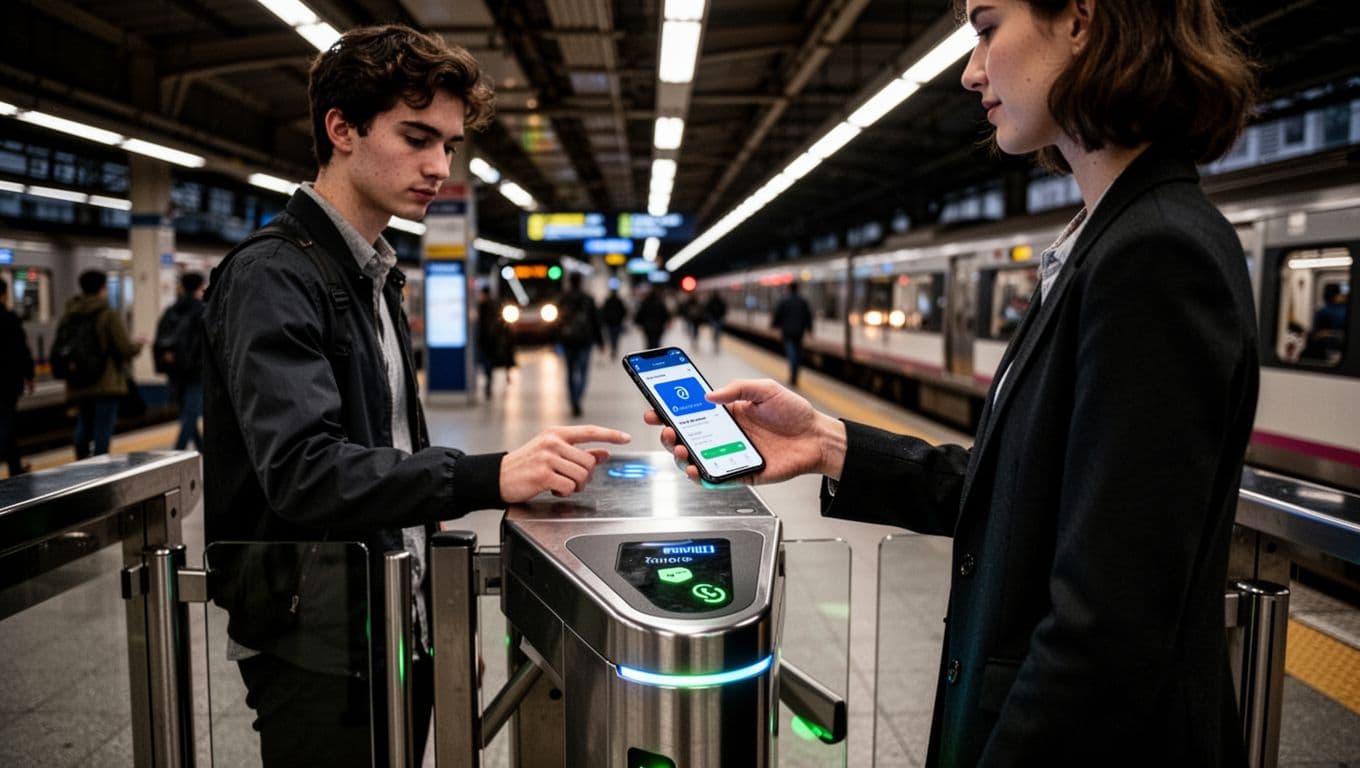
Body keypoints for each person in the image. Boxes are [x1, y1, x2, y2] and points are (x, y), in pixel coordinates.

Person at [646, 0, 1258, 764]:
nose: (969, 72)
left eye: (985, 27)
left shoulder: (1156, 254)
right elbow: (1035, 496)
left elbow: (1108, 623)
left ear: (1082, 20)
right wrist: (829, 442)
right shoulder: (1109, 240)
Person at [199, 25, 629, 767]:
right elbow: (305, 470)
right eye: (417, 137)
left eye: (450, 146)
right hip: (320, 643)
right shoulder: (274, 277)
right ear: (341, 129)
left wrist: (442, 626)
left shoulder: (372, 277)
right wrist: (486, 475)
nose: (439, 166)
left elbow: (393, 448)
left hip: (400, 619)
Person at [61, 270, 143, 459]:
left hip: (78, 380)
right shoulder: (107, 314)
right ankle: (99, 468)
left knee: (83, 424)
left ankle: (80, 464)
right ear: (102, 288)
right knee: (102, 427)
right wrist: (138, 345)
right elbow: (124, 349)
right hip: (105, 382)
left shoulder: (69, 313)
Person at [155, 272, 206, 450]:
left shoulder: (171, 310)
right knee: (191, 415)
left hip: (175, 369)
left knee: (186, 413)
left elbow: (160, 337)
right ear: (201, 287)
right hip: (196, 370)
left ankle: (202, 448)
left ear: (182, 287)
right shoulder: (203, 309)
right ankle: (177, 452)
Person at [1, 277, 34, 476]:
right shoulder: (9, 318)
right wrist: (29, 376)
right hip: (7, 382)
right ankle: (15, 468)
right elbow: (21, 350)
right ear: (4, 295)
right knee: (8, 425)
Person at [557, 272, 603, 417]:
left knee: (570, 371)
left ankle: (573, 400)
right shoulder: (588, 299)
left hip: (568, 340)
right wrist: (600, 341)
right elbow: (595, 322)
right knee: (583, 371)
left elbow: (557, 322)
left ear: (569, 282)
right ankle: (578, 397)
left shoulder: (563, 299)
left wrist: (556, 340)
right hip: (585, 340)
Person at [474, 285, 514, 397]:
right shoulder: (496, 306)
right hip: (494, 342)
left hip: (487, 342)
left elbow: (481, 326)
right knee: (493, 363)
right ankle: (495, 380)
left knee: (488, 364)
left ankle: (489, 383)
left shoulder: (482, 307)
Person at [771, 282, 813, 385]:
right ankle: (795, 373)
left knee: (791, 354)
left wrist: (774, 325)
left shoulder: (784, 301)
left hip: (788, 332)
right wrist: (810, 329)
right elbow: (808, 316)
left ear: (788, 289)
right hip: (799, 332)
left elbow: (778, 314)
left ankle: (793, 374)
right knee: (798, 353)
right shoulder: (803, 301)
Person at [1300, 283, 1348, 362]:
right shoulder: (1339, 311)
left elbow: (1317, 333)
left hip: (1329, 347)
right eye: (1341, 294)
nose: (1343, 296)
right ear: (1336, 296)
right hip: (1332, 347)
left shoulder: (1323, 311)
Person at [600, 288, 627, 359]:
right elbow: (624, 311)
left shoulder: (608, 301)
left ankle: (613, 348)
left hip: (610, 323)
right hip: (617, 322)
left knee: (611, 336)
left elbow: (603, 311)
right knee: (616, 337)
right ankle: (614, 348)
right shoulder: (619, 301)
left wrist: (605, 320)